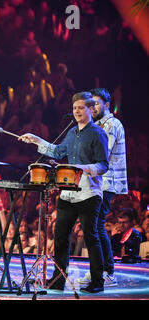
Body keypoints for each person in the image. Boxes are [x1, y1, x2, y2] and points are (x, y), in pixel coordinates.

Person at [19, 91, 109, 293]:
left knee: (91, 236)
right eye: (74, 108)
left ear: (90, 110)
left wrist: (85, 168)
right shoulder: (71, 133)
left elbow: (104, 165)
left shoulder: (98, 133)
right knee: (60, 237)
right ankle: (58, 279)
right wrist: (35, 140)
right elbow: (58, 152)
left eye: (81, 108)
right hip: (68, 193)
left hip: (89, 193)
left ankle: (97, 281)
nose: (77, 111)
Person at [77, 88, 128, 287]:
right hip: (97, 181)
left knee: (97, 225)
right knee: (93, 225)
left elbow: (102, 152)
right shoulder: (96, 124)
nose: (94, 107)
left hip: (107, 181)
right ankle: (98, 270)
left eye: (97, 103)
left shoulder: (112, 124)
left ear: (107, 105)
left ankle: (107, 272)